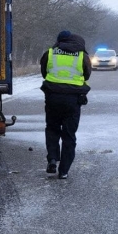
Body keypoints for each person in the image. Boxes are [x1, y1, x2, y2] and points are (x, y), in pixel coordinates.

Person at [40, 30, 91, 179]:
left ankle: (52, 159)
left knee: (52, 129)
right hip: (73, 99)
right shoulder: (82, 55)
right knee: (69, 135)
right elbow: (86, 74)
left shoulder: (50, 53)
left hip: (53, 97)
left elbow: (44, 72)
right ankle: (64, 171)